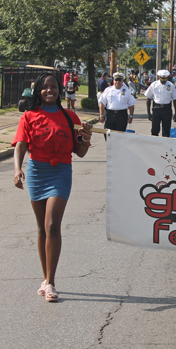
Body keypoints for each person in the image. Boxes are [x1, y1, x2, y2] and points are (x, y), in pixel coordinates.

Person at [12, 72, 94, 302]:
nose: (50, 91)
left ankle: (51, 283)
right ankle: (45, 276)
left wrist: (86, 137)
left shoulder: (70, 117)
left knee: (52, 225)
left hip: (60, 173)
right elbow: (20, 144)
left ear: (60, 90)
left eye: (54, 87)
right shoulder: (29, 116)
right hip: (37, 172)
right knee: (41, 228)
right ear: (38, 90)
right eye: (45, 87)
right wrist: (18, 169)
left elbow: (80, 152)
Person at [145, 70, 176, 137]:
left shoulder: (171, 85)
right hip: (156, 109)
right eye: (162, 79)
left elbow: (175, 100)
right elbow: (148, 98)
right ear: (159, 77)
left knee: (166, 131)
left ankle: (165, 146)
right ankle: (155, 145)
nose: (163, 81)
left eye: (165, 79)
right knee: (154, 130)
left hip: (167, 109)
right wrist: (148, 113)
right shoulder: (154, 85)